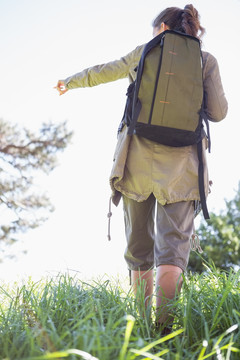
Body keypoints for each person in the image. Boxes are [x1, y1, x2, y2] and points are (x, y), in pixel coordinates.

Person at [55, 5, 228, 333]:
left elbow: (104, 71)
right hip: (183, 168)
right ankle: (164, 332)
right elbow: (218, 113)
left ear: (162, 28)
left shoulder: (144, 53)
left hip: (135, 161)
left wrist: (69, 82)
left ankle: (140, 331)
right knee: (172, 248)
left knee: (139, 248)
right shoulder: (206, 61)